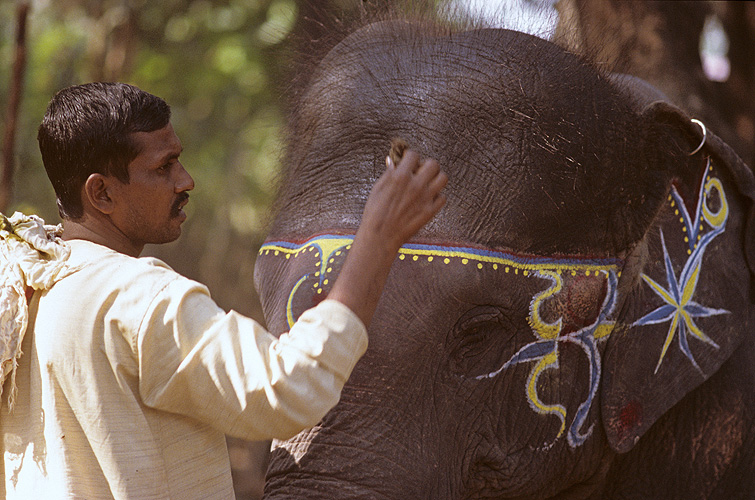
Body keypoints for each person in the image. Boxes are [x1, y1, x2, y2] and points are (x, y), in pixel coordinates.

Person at [0, 82, 447, 499]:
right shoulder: (137, 297)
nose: (185, 181)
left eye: (178, 159)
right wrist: (378, 238)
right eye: (163, 167)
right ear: (101, 194)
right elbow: (289, 386)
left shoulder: (25, 291)